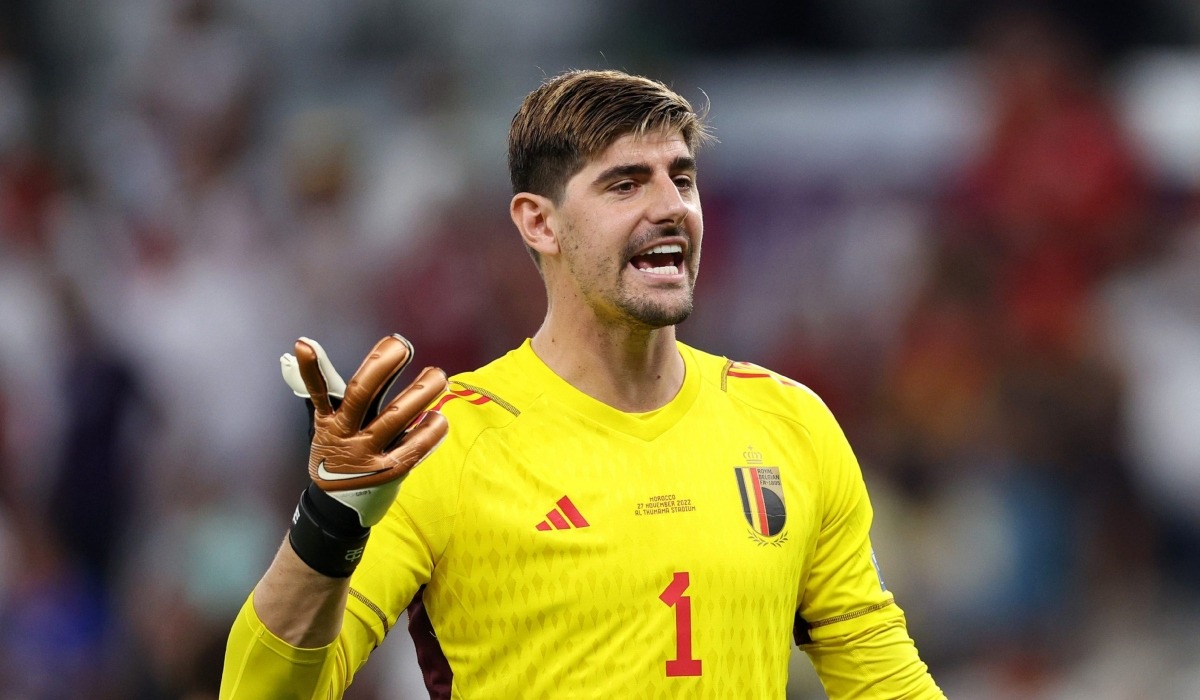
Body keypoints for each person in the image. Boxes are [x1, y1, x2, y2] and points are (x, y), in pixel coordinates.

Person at [219, 69, 945, 699]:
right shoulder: (446, 443)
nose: (670, 206)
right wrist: (328, 522)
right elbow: (260, 691)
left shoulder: (789, 424)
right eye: (625, 184)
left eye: (682, 178)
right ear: (539, 223)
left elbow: (885, 682)